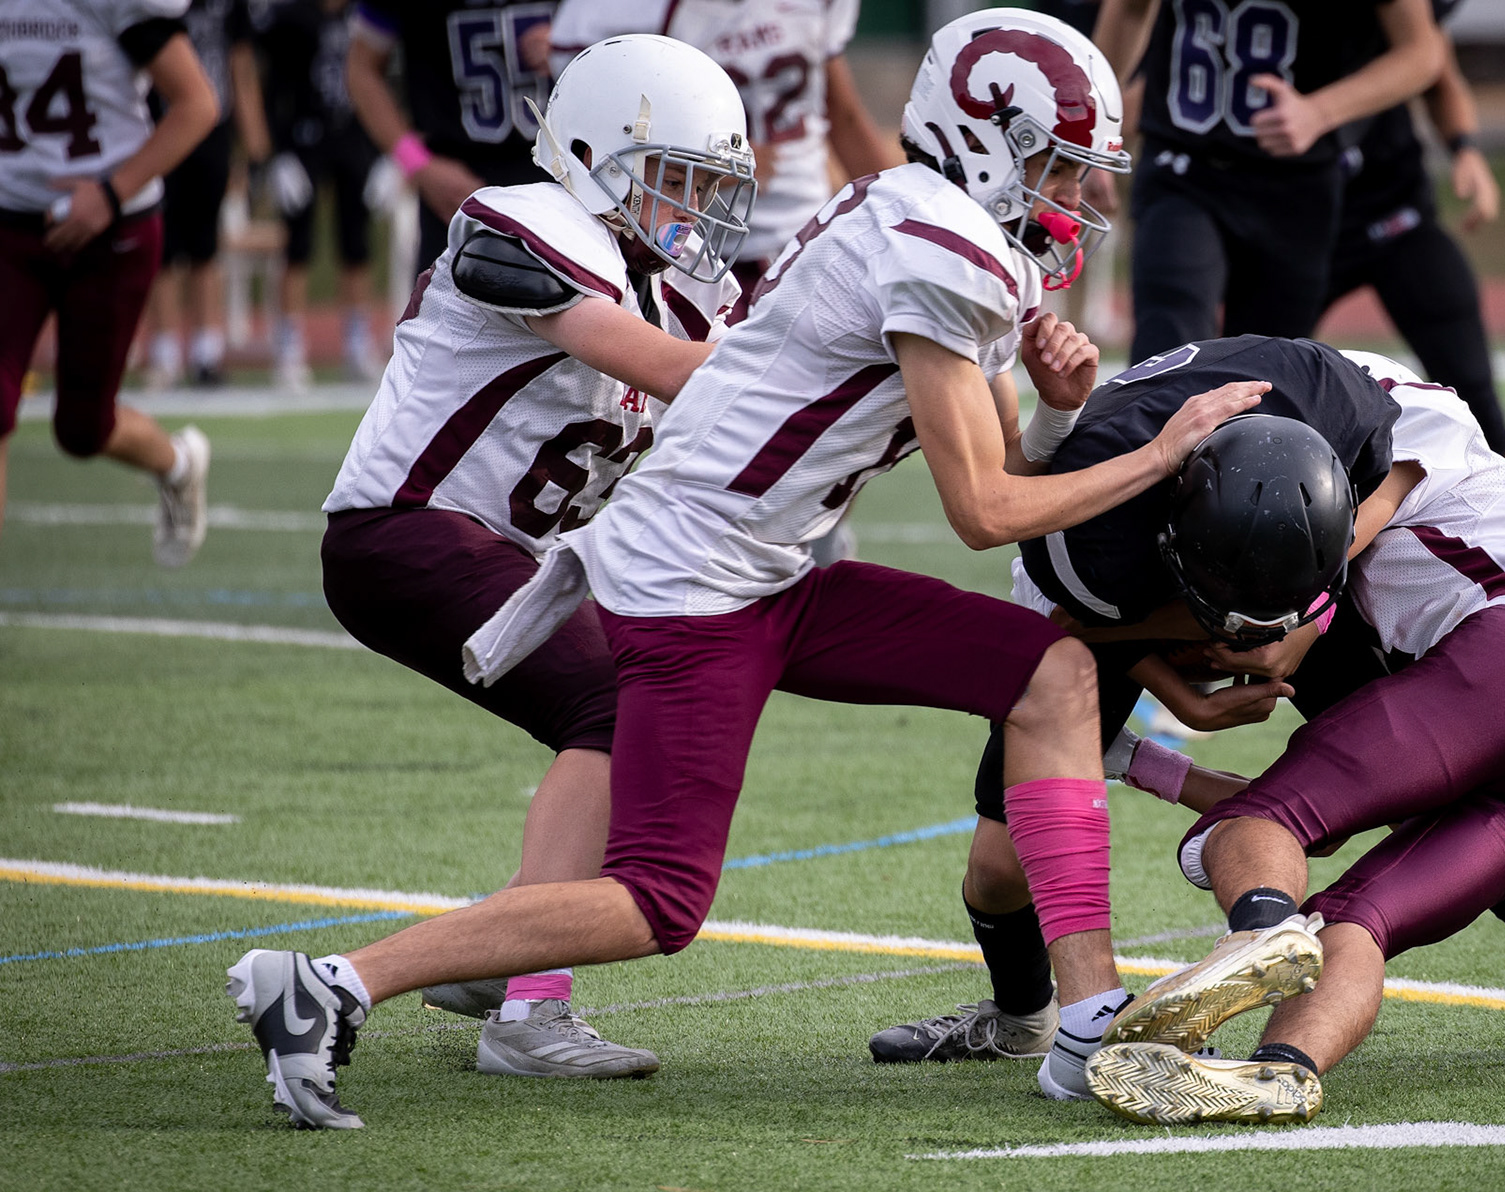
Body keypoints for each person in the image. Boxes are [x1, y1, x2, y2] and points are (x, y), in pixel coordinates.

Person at [225, 10, 1286, 1132]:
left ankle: (1084, 1028)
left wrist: (1068, 410)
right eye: (1065, 166)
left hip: (766, 574)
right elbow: (984, 512)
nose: (1087, 197)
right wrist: (1163, 454)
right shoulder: (941, 242)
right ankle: (334, 982)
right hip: (693, 588)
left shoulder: (940, 230)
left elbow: (1010, 459)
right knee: (658, 901)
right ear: (992, 143)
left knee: (1048, 671)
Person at [869, 335, 1505, 1068]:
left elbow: (1340, 546)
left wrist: (1302, 612)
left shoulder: (1356, 426)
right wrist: (1177, 713)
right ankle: (1019, 1016)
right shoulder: (1090, 548)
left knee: (1442, 789)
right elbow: (1058, 646)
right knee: (997, 865)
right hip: (1156, 578)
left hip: (1317, 558)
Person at [1082, 353, 1505, 1124]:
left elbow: (1291, 610)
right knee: (1352, 922)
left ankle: (1266, 936)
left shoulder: (1402, 435)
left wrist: (1139, 670)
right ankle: (1284, 1072)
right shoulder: (1367, 468)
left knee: (1253, 831)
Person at [311, 35, 753, 1081]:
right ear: (597, 156)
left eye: (710, 187)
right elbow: (663, 366)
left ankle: (507, 939)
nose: (696, 211)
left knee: (659, 683)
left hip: (516, 555)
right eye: (676, 180)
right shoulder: (523, 222)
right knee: (611, 700)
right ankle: (528, 999)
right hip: (406, 531)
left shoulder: (674, 288)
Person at [1091, 0, 1446, 362]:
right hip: (1185, 162)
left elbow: (1422, 51)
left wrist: (1320, 111)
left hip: (1295, 181)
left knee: (1265, 371)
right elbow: (1130, 9)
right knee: (1170, 339)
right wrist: (1094, 138)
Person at [0, 0, 216, 562]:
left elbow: (197, 104)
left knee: (82, 428)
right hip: (8, 223)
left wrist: (111, 192)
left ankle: (178, 463)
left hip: (112, 232)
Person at [544, 0, 901, 305]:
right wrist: (708, 170)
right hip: (677, 253)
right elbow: (592, 145)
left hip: (806, 234)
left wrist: (897, 219)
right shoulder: (614, 14)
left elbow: (845, 116)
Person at [1319, 2, 1505, 457]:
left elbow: (1435, 67)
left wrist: (1465, 149)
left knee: (1472, 390)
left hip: (1395, 210)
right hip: (1297, 224)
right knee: (1252, 380)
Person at [231, 0, 383, 389]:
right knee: (298, 245)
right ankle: (288, 345)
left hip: (353, 137)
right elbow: (270, 85)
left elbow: (383, 78)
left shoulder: (362, 15)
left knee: (357, 243)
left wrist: (387, 154)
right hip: (305, 137)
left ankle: (356, 342)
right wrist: (276, 155)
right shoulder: (291, 17)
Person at [344, 0, 554, 274]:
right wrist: (418, 163)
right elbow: (362, 70)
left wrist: (577, 46)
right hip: (457, 192)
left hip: (561, 180)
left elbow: (621, 45)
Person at [143, 0, 247, 388]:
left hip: (212, 130)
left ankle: (206, 351)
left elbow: (241, 66)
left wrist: (252, 149)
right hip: (161, 127)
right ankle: (165, 352)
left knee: (206, 245)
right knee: (164, 247)